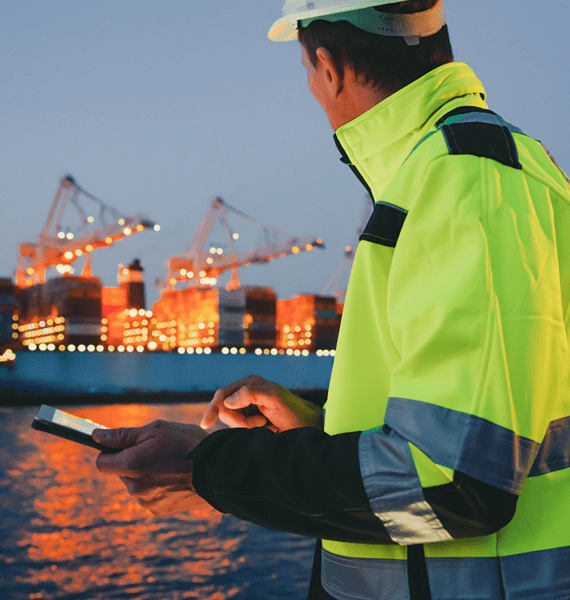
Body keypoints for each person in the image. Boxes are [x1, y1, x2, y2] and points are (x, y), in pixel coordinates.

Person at [94, 1, 570, 598]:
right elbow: (492, 424)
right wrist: (319, 432)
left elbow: (455, 483)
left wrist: (204, 467)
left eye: (306, 72)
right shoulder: (494, 166)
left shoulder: (459, 180)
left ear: (328, 66)